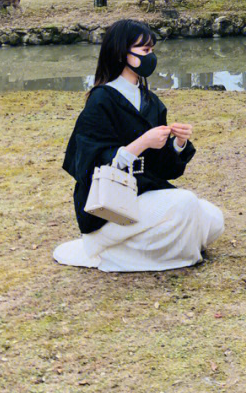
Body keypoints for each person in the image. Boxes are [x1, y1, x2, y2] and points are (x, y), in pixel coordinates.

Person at [54, 19, 223, 271]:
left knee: (212, 218)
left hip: (144, 195)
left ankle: (129, 251)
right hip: (108, 208)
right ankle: (105, 252)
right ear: (123, 53)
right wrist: (140, 144)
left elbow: (166, 170)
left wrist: (178, 143)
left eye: (152, 50)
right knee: (186, 203)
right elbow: (86, 166)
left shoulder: (151, 101)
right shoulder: (100, 100)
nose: (150, 57)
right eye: (144, 51)